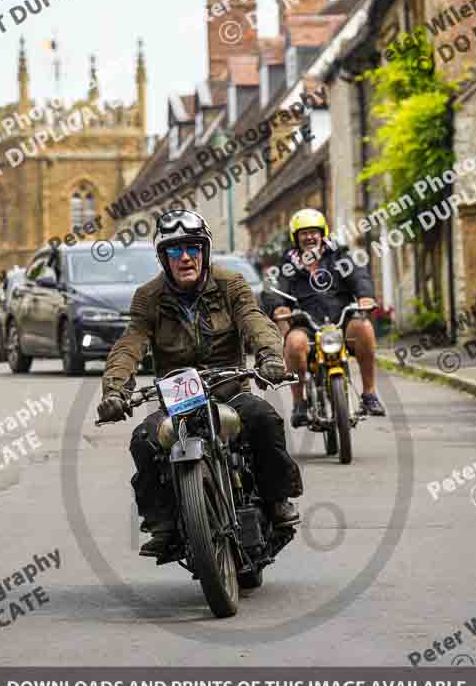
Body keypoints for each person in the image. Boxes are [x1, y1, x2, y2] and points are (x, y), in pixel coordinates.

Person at [97, 210, 303, 557]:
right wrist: (115, 390)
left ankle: (276, 499)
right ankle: (162, 523)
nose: (186, 257)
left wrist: (269, 357)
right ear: (164, 257)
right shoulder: (148, 297)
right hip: (177, 401)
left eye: (192, 248)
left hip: (230, 390)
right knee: (145, 440)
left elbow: (255, 321)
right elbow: (130, 344)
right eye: (175, 251)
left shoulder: (230, 284)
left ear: (204, 251)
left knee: (263, 419)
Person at [270, 208, 386, 428]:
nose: (310, 237)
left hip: (341, 322)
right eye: (304, 233)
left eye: (314, 232)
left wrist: (365, 297)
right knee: (294, 344)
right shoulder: (287, 265)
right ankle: (299, 403)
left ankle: (369, 394)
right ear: (296, 237)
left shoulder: (339, 257)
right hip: (306, 325)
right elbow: (274, 289)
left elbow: (359, 276)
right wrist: (278, 308)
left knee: (364, 327)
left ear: (322, 233)